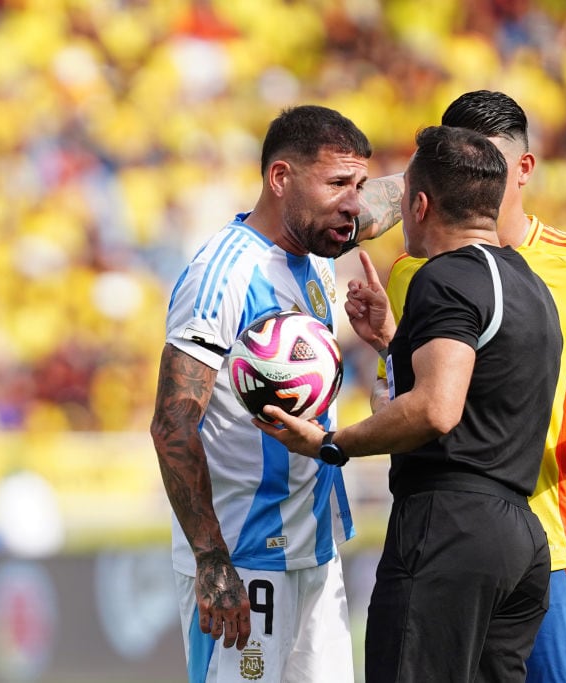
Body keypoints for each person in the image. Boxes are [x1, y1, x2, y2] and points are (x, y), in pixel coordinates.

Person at [378, 91, 566, 683]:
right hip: (448, 543)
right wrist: (386, 338)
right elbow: (418, 389)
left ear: (524, 169)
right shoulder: (415, 269)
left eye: (484, 159)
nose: (472, 174)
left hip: (554, 548)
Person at [256, 124, 564, 683]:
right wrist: (393, 343)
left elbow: (436, 409)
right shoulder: (529, 283)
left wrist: (331, 443)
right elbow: (479, 388)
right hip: (519, 538)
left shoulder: (444, 277)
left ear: (419, 205)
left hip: (449, 529)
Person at [149, 104, 402, 683]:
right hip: (243, 559)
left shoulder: (319, 245)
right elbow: (172, 426)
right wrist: (212, 560)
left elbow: (391, 201)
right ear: (280, 178)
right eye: (339, 183)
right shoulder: (223, 273)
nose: (354, 202)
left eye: (359, 184)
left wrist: (459, 151)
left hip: (316, 552)